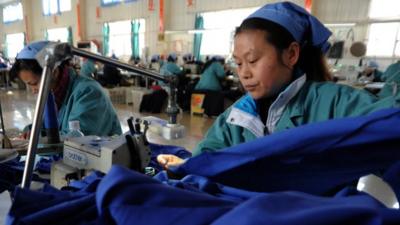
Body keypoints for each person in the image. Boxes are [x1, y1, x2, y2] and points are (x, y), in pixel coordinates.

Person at [157, 2, 400, 169]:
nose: (244, 73)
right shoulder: (236, 117)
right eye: (238, 63)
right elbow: (206, 162)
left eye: (252, 60)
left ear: (291, 54)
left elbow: (389, 126)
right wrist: (186, 166)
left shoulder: (335, 103)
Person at [10, 41, 122, 137]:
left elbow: (77, 141)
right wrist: (30, 131)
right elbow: (46, 127)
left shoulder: (88, 92)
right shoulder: (53, 94)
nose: (33, 90)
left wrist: (38, 138)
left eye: (34, 83)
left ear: (53, 72)